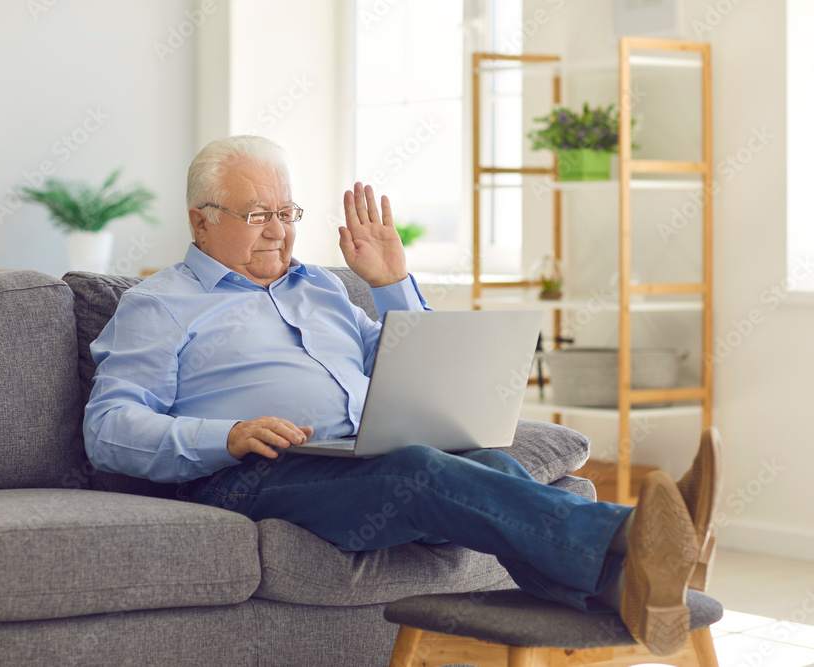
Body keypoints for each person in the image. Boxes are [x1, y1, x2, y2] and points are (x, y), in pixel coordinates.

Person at [83, 135, 721, 657]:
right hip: (249, 474)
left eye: (287, 213)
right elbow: (109, 426)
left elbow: (401, 362)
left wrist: (392, 284)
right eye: (257, 216)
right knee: (418, 471)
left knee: (489, 463)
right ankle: (641, 532)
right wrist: (223, 435)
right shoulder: (160, 304)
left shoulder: (324, 289)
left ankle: (629, 590)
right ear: (201, 219)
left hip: (354, 456)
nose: (277, 232)